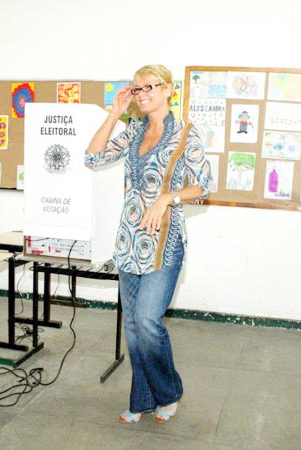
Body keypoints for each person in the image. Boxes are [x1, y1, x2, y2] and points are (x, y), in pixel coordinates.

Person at [85, 64, 211, 424]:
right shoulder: (134, 130)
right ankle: (142, 399)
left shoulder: (186, 133)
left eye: (149, 87)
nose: (142, 95)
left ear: (169, 89)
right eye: (137, 89)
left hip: (165, 241)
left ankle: (168, 391)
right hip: (128, 240)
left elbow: (203, 186)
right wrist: (114, 114)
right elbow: (92, 158)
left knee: (148, 321)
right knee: (132, 325)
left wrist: (167, 197)